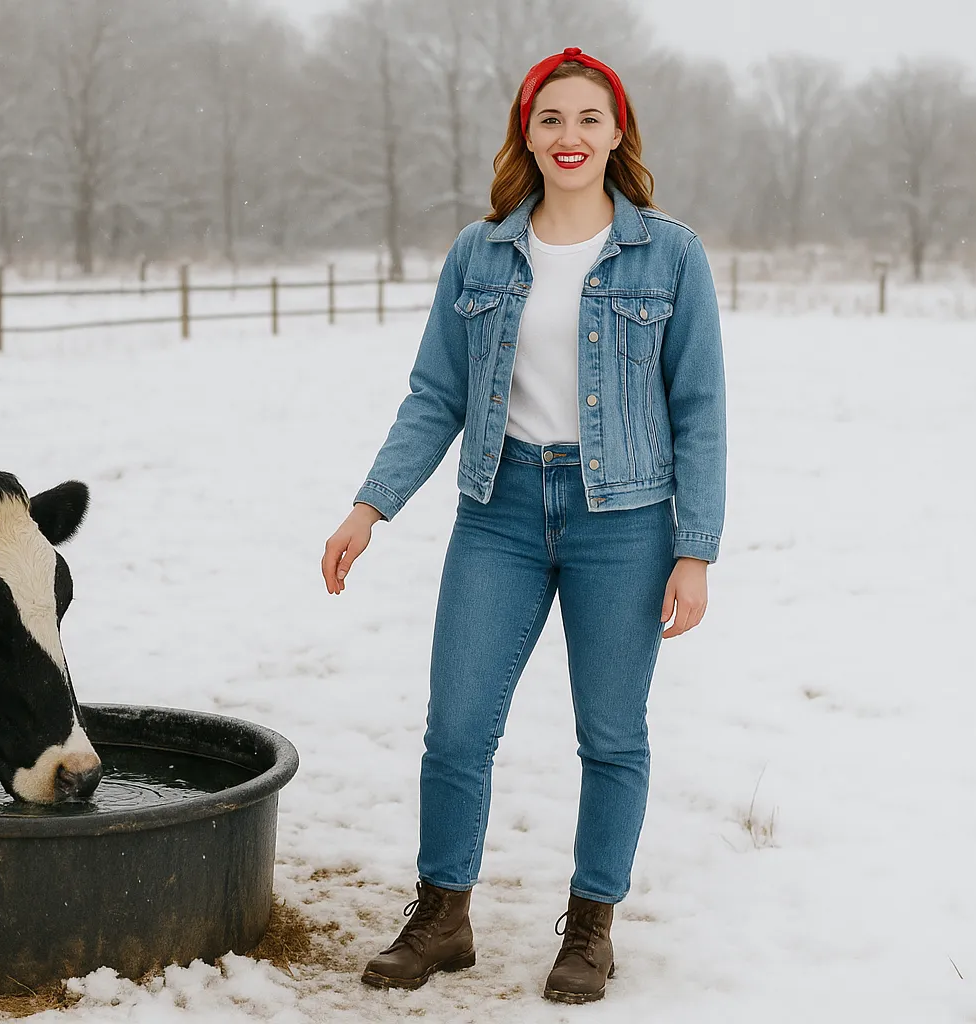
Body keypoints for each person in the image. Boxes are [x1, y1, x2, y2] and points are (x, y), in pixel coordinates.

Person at [320, 46, 726, 1004]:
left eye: (588, 118)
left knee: (611, 735)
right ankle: (442, 917)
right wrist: (370, 504)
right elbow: (436, 394)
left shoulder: (670, 254)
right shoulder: (482, 252)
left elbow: (700, 408)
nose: (569, 137)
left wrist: (696, 549)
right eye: (551, 119)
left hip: (622, 521)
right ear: (526, 135)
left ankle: (590, 928)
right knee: (456, 727)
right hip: (497, 511)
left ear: (616, 131)